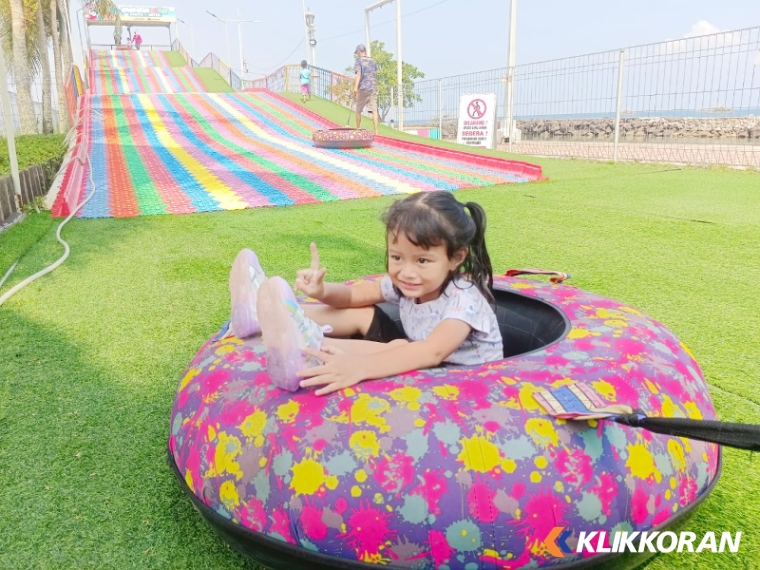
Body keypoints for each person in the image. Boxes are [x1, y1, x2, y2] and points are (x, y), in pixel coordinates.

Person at [228, 191, 503, 396]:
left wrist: (359, 366)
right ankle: (260, 312)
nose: (406, 272)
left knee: (400, 347)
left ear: (456, 257)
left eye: (422, 261)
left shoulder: (464, 300)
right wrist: (322, 291)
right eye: (397, 257)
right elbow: (354, 296)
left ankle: (306, 349)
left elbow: (432, 351)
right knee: (364, 312)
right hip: (427, 359)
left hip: (459, 382)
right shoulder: (410, 284)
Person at [352, 44, 379, 135]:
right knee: (374, 110)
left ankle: (358, 129)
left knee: (358, 109)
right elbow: (374, 73)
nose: (357, 54)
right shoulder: (372, 61)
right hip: (373, 87)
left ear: (359, 51)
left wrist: (355, 88)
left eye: (357, 52)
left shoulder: (358, 61)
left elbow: (358, 74)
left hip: (364, 87)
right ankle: (376, 130)